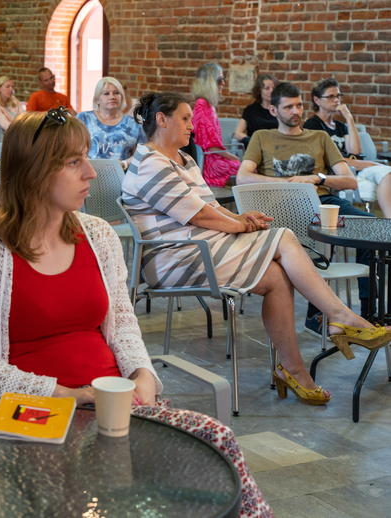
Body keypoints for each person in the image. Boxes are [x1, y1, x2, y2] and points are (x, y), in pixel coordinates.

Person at [0, 108, 272, 518]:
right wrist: (65, 394)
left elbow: (122, 324)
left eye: (87, 158)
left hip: (115, 404)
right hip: (37, 412)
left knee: (215, 445)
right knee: (96, 488)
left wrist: (142, 374)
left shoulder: (97, 235)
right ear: (33, 171)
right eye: (73, 162)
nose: (92, 174)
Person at [124, 91, 389, 402]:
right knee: (285, 238)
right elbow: (199, 215)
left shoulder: (183, 159)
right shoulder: (150, 163)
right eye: (185, 119)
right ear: (161, 120)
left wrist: (240, 216)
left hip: (201, 249)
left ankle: (292, 369)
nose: (191, 127)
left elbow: (209, 207)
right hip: (176, 259)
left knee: (277, 277)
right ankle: (341, 317)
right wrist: (241, 225)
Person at [237, 82, 376, 323]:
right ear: (273, 111)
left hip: (323, 201)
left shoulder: (320, 137)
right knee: (316, 232)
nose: (296, 112)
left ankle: (369, 313)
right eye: (288, 107)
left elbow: (349, 181)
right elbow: (243, 176)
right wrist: (291, 185)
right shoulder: (262, 136)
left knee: (369, 227)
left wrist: (318, 177)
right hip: (279, 206)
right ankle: (318, 312)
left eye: (299, 105)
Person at [303, 78, 391, 216]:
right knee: (385, 174)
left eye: (338, 95)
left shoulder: (340, 126)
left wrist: (349, 118)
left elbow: (355, 151)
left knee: (388, 172)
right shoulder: (312, 125)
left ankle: (388, 222)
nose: (336, 100)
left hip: (355, 169)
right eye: (331, 96)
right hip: (339, 173)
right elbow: (329, 160)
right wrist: (369, 164)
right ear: (317, 100)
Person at [77, 77, 145, 169]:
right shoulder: (84, 118)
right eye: (106, 94)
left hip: (122, 175)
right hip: (88, 172)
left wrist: (124, 164)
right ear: (97, 99)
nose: (112, 97)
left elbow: (141, 154)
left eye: (116, 93)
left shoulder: (134, 124)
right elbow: (72, 148)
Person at [191, 63, 238, 187]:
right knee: (247, 169)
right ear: (209, 83)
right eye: (219, 80)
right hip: (210, 163)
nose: (223, 83)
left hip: (215, 158)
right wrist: (234, 158)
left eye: (223, 79)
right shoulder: (201, 104)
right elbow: (210, 146)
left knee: (249, 167)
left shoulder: (209, 105)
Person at [233, 74, 278, 148]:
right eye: (267, 88)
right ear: (259, 91)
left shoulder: (280, 109)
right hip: (256, 148)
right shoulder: (250, 110)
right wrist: (253, 141)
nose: (271, 91)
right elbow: (238, 133)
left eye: (273, 88)